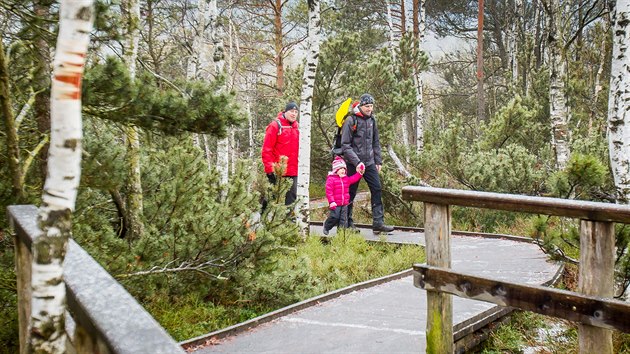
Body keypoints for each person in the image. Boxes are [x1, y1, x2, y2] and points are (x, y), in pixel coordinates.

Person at [341, 93, 395, 233]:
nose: (369, 109)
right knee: (350, 193)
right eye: (367, 106)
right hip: (353, 164)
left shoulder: (372, 120)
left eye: (371, 106)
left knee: (376, 188)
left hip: (369, 162)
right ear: (361, 105)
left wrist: (378, 160)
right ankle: (347, 224)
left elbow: (375, 142)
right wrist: (357, 162)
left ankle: (378, 223)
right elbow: (345, 145)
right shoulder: (351, 120)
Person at [261, 101, 300, 205]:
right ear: (286, 112)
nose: (294, 114)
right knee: (271, 197)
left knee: (291, 199)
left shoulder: (298, 128)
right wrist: (270, 170)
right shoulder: (275, 126)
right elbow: (267, 149)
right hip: (277, 169)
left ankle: (289, 221)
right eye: (291, 111)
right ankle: (261, 218)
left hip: (293, 170)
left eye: (296, 112)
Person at [323, 156, 364, 235]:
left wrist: (359, 174)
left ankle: (341, 234)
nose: (343, 171)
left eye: (344, 169)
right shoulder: (331, 179)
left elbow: (354, 178)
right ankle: (327, 226)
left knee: (343, 220)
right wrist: (331, 202)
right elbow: (329, 192)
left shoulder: (346, 179)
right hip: (335, 204)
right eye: (341, 169)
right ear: (336, 170)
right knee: (335, 217)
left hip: (345, 203)